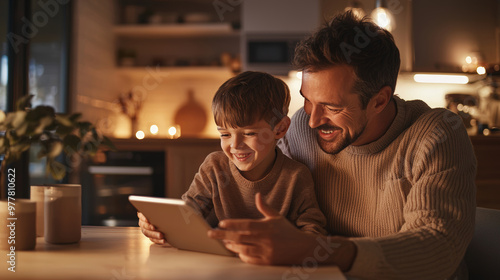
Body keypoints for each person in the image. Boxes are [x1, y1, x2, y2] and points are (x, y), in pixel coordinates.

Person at [141, 11, 476, 279]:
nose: (313, 120)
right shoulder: (301, 126)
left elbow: (438, 250)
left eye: (331, 106)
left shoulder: (436, 134)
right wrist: (179, 222)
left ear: (379, 100)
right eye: (307, 101)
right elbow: (266, 189)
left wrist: (316, 250)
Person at [138, 71, 327, 247]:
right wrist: (159, 227)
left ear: (280, 129)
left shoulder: (296, 176)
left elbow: (314, 231)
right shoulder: (214, 167)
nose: (235, 145)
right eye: (225, 135)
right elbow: (188, 214)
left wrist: (288, 244)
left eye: (249, 133)